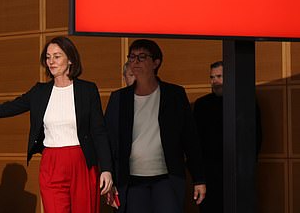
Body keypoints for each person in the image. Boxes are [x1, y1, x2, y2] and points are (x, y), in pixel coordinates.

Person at [0, 36, 113, 213]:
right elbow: (3, 110)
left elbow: (99, 132)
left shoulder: (87, 90)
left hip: (82, 161)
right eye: (48, 57)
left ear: (70, 59)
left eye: (57, 56)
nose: (51, 62)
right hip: (51, 162)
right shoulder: (39, 92)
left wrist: (106, 169)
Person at [105, 39, 206, 213]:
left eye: (142, 57)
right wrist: (110, 179)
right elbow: (109, 141)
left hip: (166, 178)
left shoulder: (174, 94)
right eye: (132, 57)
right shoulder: (119, 98)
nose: (135, 62)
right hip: (131, 180)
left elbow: (190, 138)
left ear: (156, 62)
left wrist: (199, 178)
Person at [193, 60, 262, 213]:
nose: (215, 81)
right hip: (209, 175)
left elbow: (255, 137)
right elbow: (195, 141)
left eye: (219, 76)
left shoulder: (245, 102)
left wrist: (246, 168)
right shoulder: (201, 105)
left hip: (239, 173)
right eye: (212, 77)